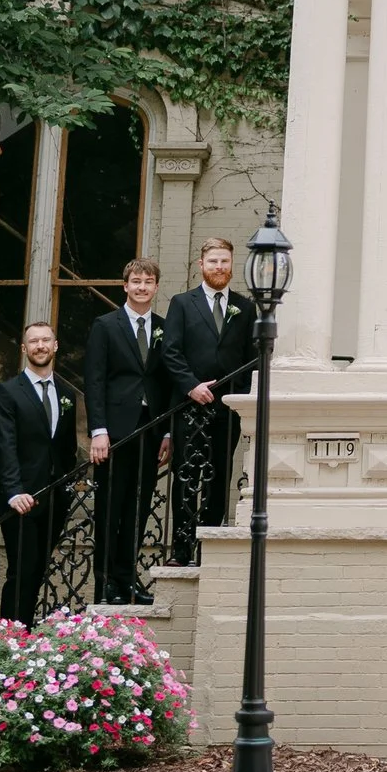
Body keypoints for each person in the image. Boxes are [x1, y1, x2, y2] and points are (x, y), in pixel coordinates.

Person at [161, 237, 257, 560]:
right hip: (189, 405)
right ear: (201, 265)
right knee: (186, 475)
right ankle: (182, 547)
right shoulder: (182, 303)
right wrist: (191, 386)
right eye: (213, 261)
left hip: (227, 408)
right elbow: (170, 351)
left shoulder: (245, 308)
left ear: (232, 265)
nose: (219, 267)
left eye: (224, 261)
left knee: (219, 476)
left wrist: (240, 397)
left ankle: (208, 549)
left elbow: (251, 359)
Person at [86, 258, 169, 604]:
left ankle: (127, 578)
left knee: (138, 507)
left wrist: (167, 433)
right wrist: (98, 430)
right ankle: (106, 582)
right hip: (115, 433)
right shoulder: (105, 325)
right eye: (136, 281)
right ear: (125, 286)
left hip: (150, 430)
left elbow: (166, 381)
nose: (142, 287)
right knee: (111, 507)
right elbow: (94, 380)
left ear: (156, 287)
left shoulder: (164, 327)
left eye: (148, 282)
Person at [0, 321, 81, 625]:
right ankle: (11, 636)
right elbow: (4, 446)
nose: (40, 346)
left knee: (38, 569)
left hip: (54, 498)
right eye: (33, 341)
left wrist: (67, 485)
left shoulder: (67, 393)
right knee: (21, 571)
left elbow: (66, 447)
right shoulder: (7, 392)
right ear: (24, 348)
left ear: (55, 346)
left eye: (45, 340)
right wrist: (14, 491)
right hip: (22, 499)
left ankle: (25, 634)